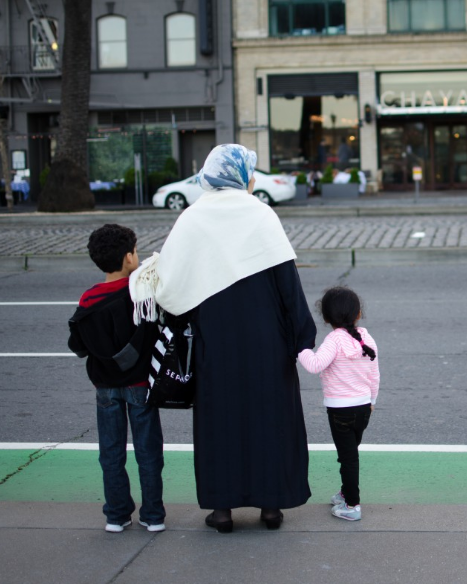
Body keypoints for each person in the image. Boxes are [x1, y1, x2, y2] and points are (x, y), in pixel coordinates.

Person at [129, 144, 316, 533]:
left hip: (215, 342)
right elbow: (287, 283)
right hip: (268, 342)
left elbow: (171, 288)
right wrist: (301, 336)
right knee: (271, 420)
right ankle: (270, 507)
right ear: (242, 175)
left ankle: (222, 510)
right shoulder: (261, 214)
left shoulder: (193, 218)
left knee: (220, 422)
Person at [68, 224, 165, 534]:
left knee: (111, 452)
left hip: (105, 388)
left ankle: (116, 515)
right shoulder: (141, 295)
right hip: (140, 385)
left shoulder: (88, 299)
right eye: (136, 251)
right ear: (128, 258)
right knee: (148, 452)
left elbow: (78, 345)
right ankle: (152, 515)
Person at [297, 286, 379, 522]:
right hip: (364, 408)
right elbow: (375, 374)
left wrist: (299, 348)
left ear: (325, 318)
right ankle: (346, 493)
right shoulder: (366, 337)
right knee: (350, 454)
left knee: (348, 458)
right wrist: (372, 400)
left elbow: (314, 365)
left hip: (340, 410)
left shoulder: (333, 340)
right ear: (358, 313)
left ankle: (352, 505)